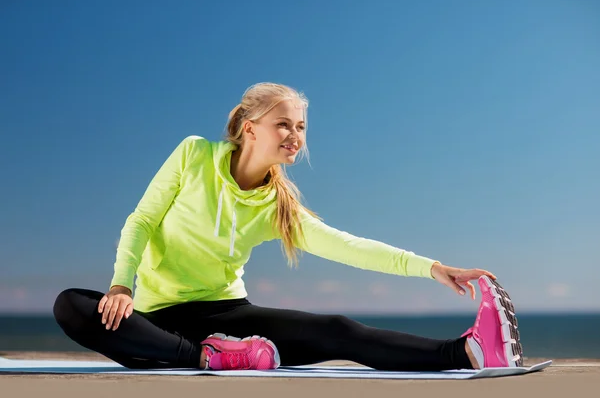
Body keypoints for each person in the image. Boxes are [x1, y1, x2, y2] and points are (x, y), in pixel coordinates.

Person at [53, 82, 523, 372]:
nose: (295, 135)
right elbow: (142, 220)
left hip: (230, 320)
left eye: (301, 126)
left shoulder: (278, 206)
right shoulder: (193, 155)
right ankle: (204, 358)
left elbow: (348, 246)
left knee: (338, 328)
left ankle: (467, 354)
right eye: (284, 124)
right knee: (72, 306)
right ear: (250, 127)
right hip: (158, 321)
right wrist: (120, 285)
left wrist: (432, 268)